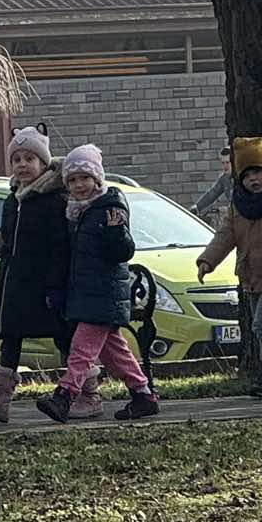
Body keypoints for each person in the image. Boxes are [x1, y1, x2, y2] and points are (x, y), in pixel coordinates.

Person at [39, 144, 163, 423]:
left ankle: (64, 395)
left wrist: (116, 232)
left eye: (85, 178)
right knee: (114, 352)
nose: (79, 185)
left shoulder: (110, 208)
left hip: (105, 293)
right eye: (72, 180)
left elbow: (123, 252)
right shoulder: (77, 213)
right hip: (86, 293)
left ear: (97, 179)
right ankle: (143, 395)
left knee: (81, 349)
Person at [0, 127, 73, 424]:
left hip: (45, 281)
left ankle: (82, 391)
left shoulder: (53, 199)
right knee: (10, 334)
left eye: (30, 159)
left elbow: (60, 246)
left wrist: (56, 284)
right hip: (16, 282)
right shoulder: (13, 199)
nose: (23, 165)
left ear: (43, 163)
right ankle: (0, 397)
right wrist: (3, 274)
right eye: (17, 159)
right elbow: (7, 241)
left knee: (63, 335)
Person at [198, 135, 262, 400]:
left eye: (258, 172)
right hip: (252, 274)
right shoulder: (239, 205)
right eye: (246, 175)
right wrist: (207, 260)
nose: (253, 179)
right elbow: (226, 235)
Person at [190, 145, 234, 221]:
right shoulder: (224, 178)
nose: (225, 166)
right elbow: (213, 193)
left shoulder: (243, 177)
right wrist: (196, 207)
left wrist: (228, 210)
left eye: (228, 162)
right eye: (223, 163)